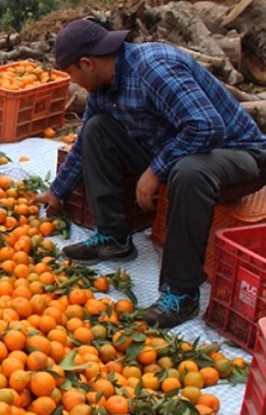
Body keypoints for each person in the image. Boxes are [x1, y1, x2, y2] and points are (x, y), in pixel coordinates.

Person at [37, 19, 266, 328]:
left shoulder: (152, 69)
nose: (74, 84)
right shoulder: (103, 90)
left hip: (238, 154)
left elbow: (206, 126)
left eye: (71, 75)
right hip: (179, 150)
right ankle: (113, 238)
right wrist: (58, 191)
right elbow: (80, 147)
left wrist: (156, 170)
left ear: (87, 63)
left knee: (187, 171)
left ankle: (182, 293)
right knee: (96, 128)